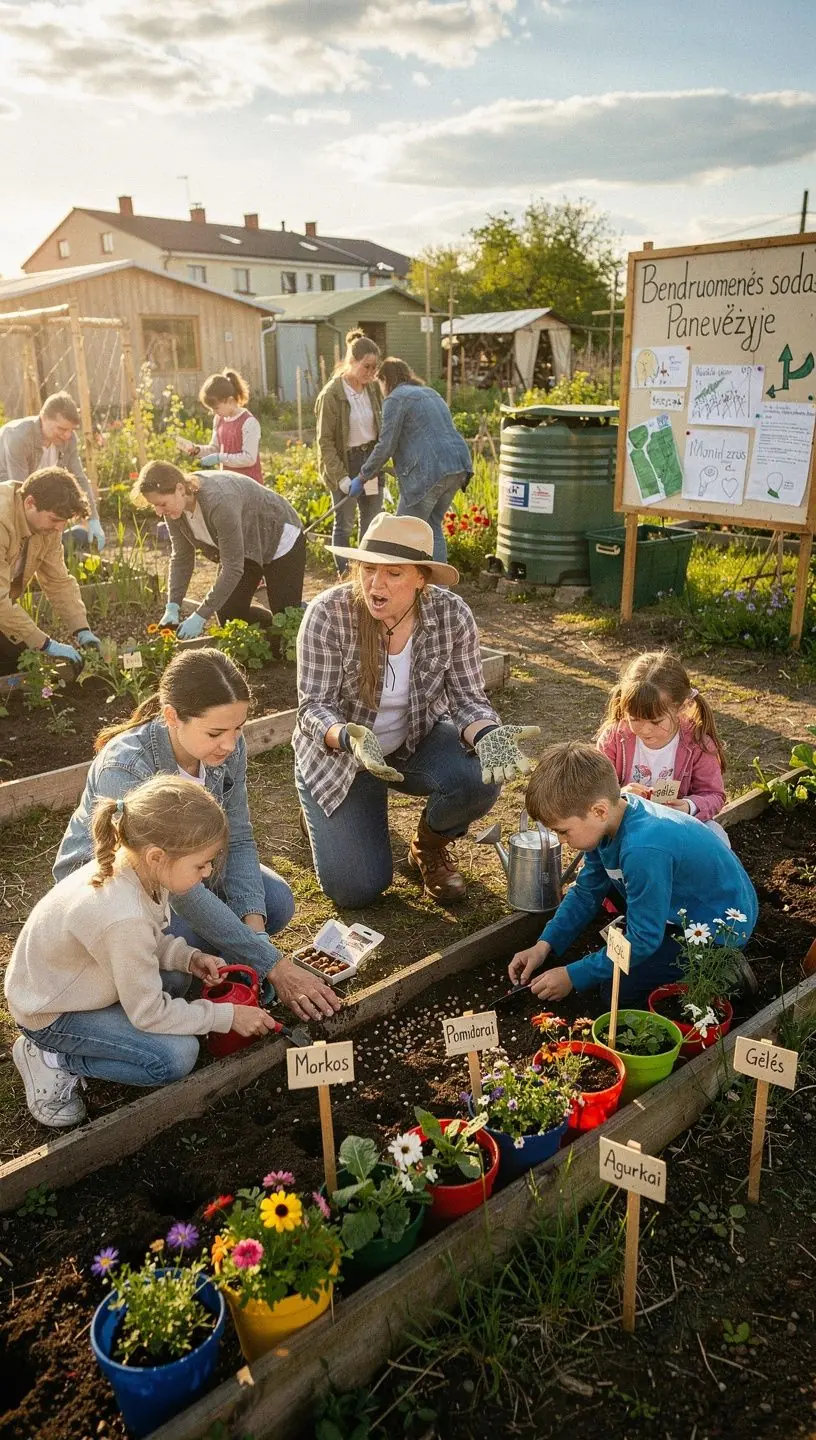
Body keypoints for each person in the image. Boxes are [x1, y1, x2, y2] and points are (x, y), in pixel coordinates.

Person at [53, 647, 339, 1023]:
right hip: (118, 888)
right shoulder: (126, 767)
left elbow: (237, 837)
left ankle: (199, 958)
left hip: (184, 873)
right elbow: (181, 890)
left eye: (238, 728)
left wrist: (256, 939)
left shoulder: (227, 751)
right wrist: (271, 963)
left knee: (274, 902)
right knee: (172, 970)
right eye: (216, 732)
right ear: (172, 717)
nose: (231, 744)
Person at [6, 775, 287, 1128]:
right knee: (175, 1056)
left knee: (175, 977)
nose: (208, 872)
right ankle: (51, 1059)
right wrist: (226, 1017)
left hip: (79, 982)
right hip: (52, 1013)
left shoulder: (137, 871)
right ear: (157, 856)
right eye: (200, 865)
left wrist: (188, 958)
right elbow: (148, 1013)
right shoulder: (121, 914)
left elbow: (147, 941)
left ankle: (103, 1030)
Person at [295, 512, 539, 907]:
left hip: (412, 744)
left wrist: (489, 734)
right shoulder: (328, 614)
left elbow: (466, 698)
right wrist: (349, 737)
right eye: (369, 569)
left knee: (480, 774)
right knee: (357, 889)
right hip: (341, 758)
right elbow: (313, 707)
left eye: (393, 573)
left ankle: (427, 847)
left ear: (421, 578)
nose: (376, 584)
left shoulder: (451, 614)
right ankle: (324, 810)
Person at [508, 743, 757, 1009]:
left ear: (599, 811)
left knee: (618, 995)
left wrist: (573, 975)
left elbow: (643, 939)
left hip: (717, 926)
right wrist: (545, 945)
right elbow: (585, 892)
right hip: (683, 901)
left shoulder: (643, 849)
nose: (561, 840)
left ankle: (725, 969)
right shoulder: (612, 817)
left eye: (563, 831)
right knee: (617, 960)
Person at [131, 461, 305, 642]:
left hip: (279, 537)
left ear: (180, 489)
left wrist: (200, 615)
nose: (159, 512)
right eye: (154, 506)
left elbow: (232, 568)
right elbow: (182, 557)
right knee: (229, 614)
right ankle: (268, 631)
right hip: (245, 547)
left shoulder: (219, 502)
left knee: (286, 622)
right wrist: (173, 605)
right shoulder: (175, 511)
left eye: (162, 504)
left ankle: (300, 613)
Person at [353, 358, 472, 563]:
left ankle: (400, 590)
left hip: (430, 473)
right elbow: (424, 437)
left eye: (380, 383)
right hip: (458, 466)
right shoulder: (429, 393)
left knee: (403, 533)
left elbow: (386, 445)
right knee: (432, 526)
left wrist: (363, 476)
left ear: (385, 380)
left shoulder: (395, 398)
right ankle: (441, 590)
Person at [597, 651, 727, 825]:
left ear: (680, 707)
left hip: (677, 826)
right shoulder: (613, 738)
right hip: (625, 825)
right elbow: (593, 789)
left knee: (717, 835)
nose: (645, 730)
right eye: (635, 719)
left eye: (656, 721)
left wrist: (688, 807)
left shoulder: (697, 743)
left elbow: (714, 795)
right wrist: (619, 796)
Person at [0, 468, 100, 669]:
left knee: (18, 661)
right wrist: (46, 644)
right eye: (54, 519)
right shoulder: (2, 521)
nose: (59, 528)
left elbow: (58, 580)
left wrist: (81, 628)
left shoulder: (47, 527)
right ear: (29, 503)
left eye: (64, 522)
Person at [0, 391, 106, 552]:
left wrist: (93, 519)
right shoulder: (18, 436)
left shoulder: (68, 439)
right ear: (43, 418)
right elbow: (19, 490)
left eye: (71, 430)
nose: (67, 435)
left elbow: (78, 478)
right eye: (62, 429)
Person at [314, 329, 383, 575]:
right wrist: (343, 480)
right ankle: (344, 576)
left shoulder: (372, 389)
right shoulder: (332, 395)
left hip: (370, 463)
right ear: (351, 362)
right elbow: (325, 443)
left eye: (375, 368)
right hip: (346, 463)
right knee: (344, 524)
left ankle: (364, 573)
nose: (372, 373)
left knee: (372, 521)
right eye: (367, 367)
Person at [178, 369, 263, 485]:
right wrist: (195, 449)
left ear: (230, 401)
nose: (213, 412)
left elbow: (249, 458)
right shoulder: (219, 420)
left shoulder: (248, 422)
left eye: (216, 408)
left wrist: (220, 458)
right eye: (211, 409)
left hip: (250, 485)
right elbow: (214, 449)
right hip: (230, 483)